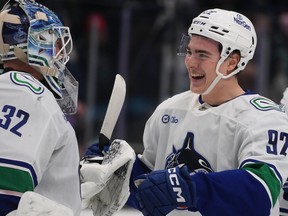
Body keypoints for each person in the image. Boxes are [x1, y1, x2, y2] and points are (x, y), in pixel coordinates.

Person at [82, 8, 288, 216]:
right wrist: (118, 171)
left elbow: (259, 193)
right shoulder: (169, 110)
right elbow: (151, 192)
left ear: (231, 62)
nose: (190, 62)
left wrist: (188, 187)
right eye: (189, 52)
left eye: (202, 54)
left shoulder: (265, 119)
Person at [0, 0, 81, 215]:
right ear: (34, 43)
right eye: (55, 43)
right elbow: (7, 185)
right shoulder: (28, 94)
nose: (60, 54)